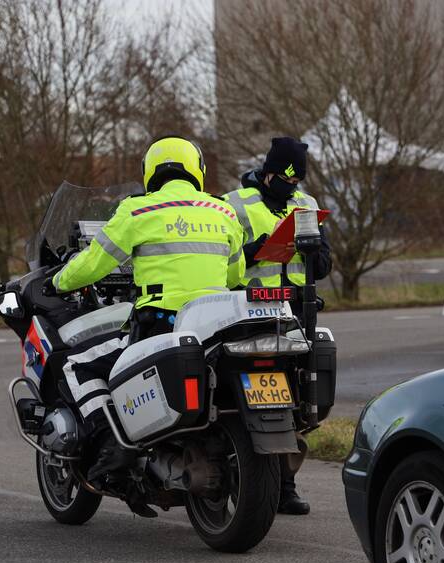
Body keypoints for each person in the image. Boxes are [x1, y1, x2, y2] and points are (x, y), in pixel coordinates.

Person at [51, 135, 245, 516]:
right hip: (215, 327)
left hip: (161, 327)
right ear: (197, 171)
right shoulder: (223, 211)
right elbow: (236, 274)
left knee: (76, 365)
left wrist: (59, 280)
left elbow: (93, 264)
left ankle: (112, 445)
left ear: (151, 172)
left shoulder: (137, 210)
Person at [225, 136, 332, 516]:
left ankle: (285, 486)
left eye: (297, 181)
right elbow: (223, 261)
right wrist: (255, 250)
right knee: (242, 397)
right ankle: (244, 474)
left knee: (293, 400)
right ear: (268, 173)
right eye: (286, 180)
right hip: (249, 310)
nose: (292, 187)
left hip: (297, 313)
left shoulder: (307, 205)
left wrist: (312, 250)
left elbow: (324, 267)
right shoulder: (234, 204)